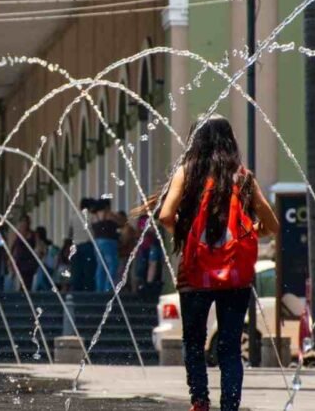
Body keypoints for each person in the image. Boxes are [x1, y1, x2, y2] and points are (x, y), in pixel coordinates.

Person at [157, 116, 279, 411]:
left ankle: (199, 401)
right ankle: (230, 406)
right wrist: (249, 232)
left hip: (195, 272)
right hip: (235, 274)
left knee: (195, 341)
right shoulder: (243, 177)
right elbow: (271, 224)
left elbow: (164, 215)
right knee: (230, 347)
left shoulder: (187, 173)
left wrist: (188, 237)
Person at [69, 198, 97, 291]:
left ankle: (76, 290)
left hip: (75, 246)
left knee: (76, 270)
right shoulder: (92, 216)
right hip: (87, 245)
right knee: (88, 270)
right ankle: (88, 290)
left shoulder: (73, 217)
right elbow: (96, 231)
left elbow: (70, 233)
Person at [93, 199, 120, 293]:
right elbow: (120, 222)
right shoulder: (109, 214)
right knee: (112, 264)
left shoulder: (95, 216)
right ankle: (108, 288)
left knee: (100, 265)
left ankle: (99, 288)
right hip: (109, 241)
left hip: (97, 242)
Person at [9, 215, 37, 291]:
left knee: (28, 280)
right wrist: (10, 259)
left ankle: (26, 295)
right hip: (20, 260)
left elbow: (37, 246)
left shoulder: (33, 234)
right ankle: (22, 294)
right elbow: (12, 247)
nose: (24, 224)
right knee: (22, 280)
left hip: (30, 260)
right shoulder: (17, 234)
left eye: (25, 222)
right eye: (22, 222)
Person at [32, 226, 58, 291]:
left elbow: (40, 256)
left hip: (44, 266)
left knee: (40, 281)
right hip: (46, 267)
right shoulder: (47, 244)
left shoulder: (41, 244)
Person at [116, 210, 138, 285]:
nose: (117, 221)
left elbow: (125, 242)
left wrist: (117, 246)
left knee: (123, 272)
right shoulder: (122, 229)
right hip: (124, 254)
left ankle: (126, 290)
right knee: (124, 273)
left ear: (124, 218)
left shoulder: (127, 229)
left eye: (119, 219)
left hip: (126, 254)